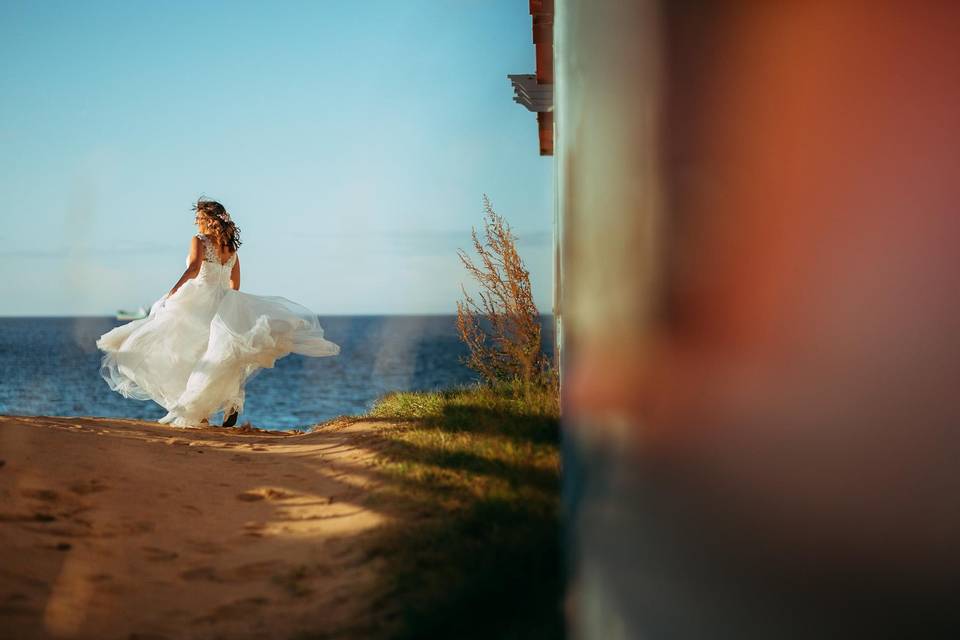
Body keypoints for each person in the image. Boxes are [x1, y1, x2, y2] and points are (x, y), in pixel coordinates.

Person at [96, 198, 339, 427]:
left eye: (199, 217)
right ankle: (230, 400)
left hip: (197, 300)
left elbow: (193, 269)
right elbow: (236, 284)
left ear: (208, 219)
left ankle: (196, 410)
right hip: (224, 302)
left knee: (181, 352)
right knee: (221, 355)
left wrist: (173, 291)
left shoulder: (199, 241)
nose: (195, 222)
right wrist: (230, 307)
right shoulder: (231, 249)